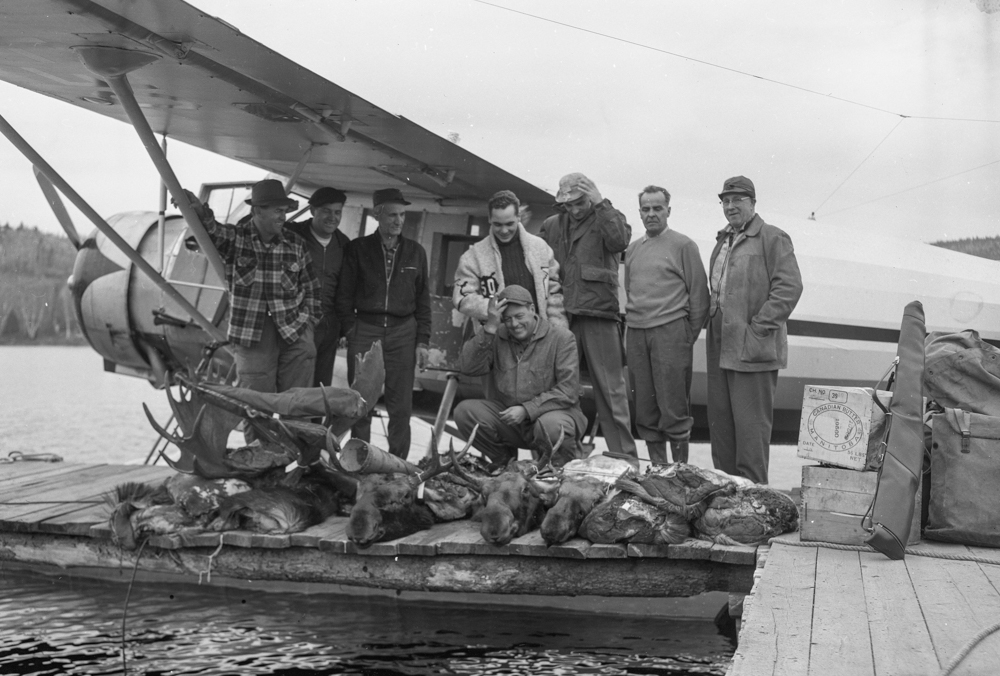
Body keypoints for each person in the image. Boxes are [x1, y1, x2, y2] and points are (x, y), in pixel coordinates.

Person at [707, 176, 802, 484]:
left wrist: (758, 328)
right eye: (725, 201)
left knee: (750, 430)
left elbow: (789, 288)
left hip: (753, 347)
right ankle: (724, 496)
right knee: (721, 427)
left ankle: (754, 502)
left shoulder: (772, 237)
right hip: (720, 345)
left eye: (738, 200)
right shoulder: (723, 240)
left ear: (753, 203)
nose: (731, 206)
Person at [183, 179, 320, 393]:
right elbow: (211, 230)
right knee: (255, 408)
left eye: (284, 211)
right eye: (277, 211)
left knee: (297, 406)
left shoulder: (296, 244)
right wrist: (199, 210)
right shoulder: (236, 239)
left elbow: (312, 288)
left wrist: (308, 325)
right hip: (252, 337)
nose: (283, 217)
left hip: (294, 332)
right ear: (257, 211)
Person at [540, 173, 637, 462]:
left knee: (611, 393)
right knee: (555, 389)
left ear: (590, 197)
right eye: (569, 205)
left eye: (581, 202)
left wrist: (601, 202)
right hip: (561, 318)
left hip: (599, 315)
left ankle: (626, 463)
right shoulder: (551, 226)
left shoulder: (607, 217)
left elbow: (620, 240)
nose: (576, 209)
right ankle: (556, 460)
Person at [335, 188, 431, 458]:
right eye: (391, 215)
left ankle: (398, 465)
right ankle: (360, 461)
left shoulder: (416, 252)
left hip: (404, 331)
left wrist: (422, 340)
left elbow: (424, 300)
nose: (398, 221)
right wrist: (351, 329)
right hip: (366, 327)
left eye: (402, 215)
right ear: (377, 215)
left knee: (401, 405)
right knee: (361, 401)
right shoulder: (358, 249)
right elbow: (344, 294)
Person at [454, 285, 587, 467]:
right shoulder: (498, 335)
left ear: (532, 310)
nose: (514, 324)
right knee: (465, 412)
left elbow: (568, 391)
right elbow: (467, 367)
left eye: (519, 316)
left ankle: (558, 469)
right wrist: (490, 327)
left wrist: (526, 409)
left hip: (552, 416)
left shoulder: (562, 338)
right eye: (507, 319)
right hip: (514, 421)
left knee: (551, 426)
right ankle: (504, 465)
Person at [624, 186, 709, 465]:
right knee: (645, 409)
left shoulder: (683, 245)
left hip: (671, 333)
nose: (651, 214)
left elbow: (699, 296)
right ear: (639, 213)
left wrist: (686, 335)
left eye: (657, 208)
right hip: (637, 333)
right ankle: (658, 472)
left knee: (673, 406)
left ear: (668, 211)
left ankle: (679, 473)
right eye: (646, 209)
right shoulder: (634, 249)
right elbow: (630, 290)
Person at [452, 189, 566, 329]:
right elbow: (462, 298)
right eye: (498, 224)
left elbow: (554, 295)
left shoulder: (541, 248)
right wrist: (496, 309)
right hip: (495, 338)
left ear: (518, 217)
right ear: (489, 219)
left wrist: (558, 331)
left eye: (509, 224)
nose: (504, 231)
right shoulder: (472, 257)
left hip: (538, 338)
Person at [286, 187, 351, 387]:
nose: (333, 217)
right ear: (313, 210)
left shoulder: (343, 244)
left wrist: (341, 328)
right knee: (296, 383)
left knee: (321, 385)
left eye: (337, 212)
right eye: (326, 211)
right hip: (298, 323)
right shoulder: (292, 234)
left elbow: (345, 290)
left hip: (329, 326)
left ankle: (314, 420)